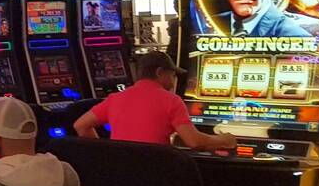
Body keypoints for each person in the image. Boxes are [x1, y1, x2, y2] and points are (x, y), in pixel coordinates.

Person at [74, 51, 236, 150]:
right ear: (160, 73)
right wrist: (224, 140)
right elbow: (193, 141)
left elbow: (80, 125)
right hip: (158, 176)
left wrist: (107, 152)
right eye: (172, 75)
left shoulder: (115, 98)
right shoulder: (171, 101)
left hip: (121, 177)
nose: (173, 81)